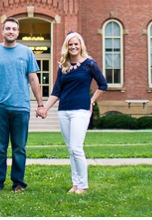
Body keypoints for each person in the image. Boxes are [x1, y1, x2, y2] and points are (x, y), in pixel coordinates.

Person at [38, 31, 107, 194]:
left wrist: (91, 100)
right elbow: (56, 91)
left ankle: (83, 185)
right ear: (66, 47)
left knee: (77, 148)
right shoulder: (63, 66)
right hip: (64, 111)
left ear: (81, 45)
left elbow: (103, 85)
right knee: (70, 149)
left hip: (80, 110)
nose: (73, 47)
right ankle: (75, 183)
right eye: (70, 44)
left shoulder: (89, 64)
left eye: (76, 44)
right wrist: (45, 108)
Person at [0, 18, 45, 193]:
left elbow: (33, 78)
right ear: (2, 31)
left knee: (19, 148)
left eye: (14, 29)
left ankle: (18, 183)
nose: (11, 31)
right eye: (8, 28)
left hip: (21, 108)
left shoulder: (26, 53)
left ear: (18, 32)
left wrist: (40, 104)